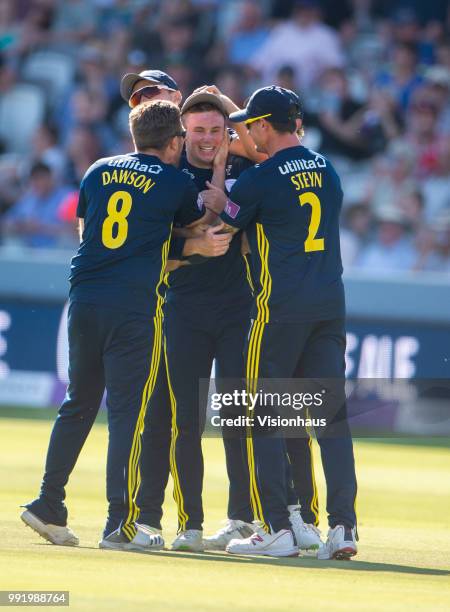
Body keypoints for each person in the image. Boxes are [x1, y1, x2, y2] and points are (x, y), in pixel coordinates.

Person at [20, 100, 211, 552]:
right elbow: (202, 222)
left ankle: (49, 502)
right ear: (172, 143)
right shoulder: (175, 179)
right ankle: (119, 524)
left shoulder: (98, 169)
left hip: (84, 297)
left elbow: (87, 229)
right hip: (131, 306)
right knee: (127, 413)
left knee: (78, 403)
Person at [202, 86, 358, 559]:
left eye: (251, 124)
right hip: (329, 307)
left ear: (266, 126)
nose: (247, 130)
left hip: (279, 311)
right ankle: (344, 528)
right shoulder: (328, 170)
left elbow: (221, 228)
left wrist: (216, 196)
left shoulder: (259, 180)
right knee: (330, 419)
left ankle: (276, 529)